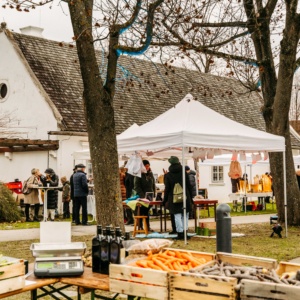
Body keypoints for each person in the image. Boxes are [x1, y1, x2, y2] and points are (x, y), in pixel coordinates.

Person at [163, 156, 193, 240]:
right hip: (185, 196)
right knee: (185, 215)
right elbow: (189, 186)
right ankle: (185, 232)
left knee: (177, 216)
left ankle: (180, 233)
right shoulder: (184, 173)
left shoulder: (168, 175)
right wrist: (191, 198)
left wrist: (164, 200)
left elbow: (167, 189)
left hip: (174, 197)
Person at [134, 159, 156, 230]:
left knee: (147, 212)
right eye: (145, 166)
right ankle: (140, 227)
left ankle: (147, 227)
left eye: (148, 166)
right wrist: (142, 196)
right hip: (142, 197)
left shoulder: (150, 174)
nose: (147, 167)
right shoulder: (138, 175)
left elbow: (153, 184)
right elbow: (137, 187)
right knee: (141, 212)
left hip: (149, 196)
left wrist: (154, 194)